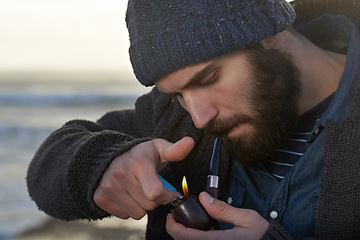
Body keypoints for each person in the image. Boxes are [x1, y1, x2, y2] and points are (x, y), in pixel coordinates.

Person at [26, 0, 360, 239]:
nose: (199, 118)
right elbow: (46, 168)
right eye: (178, 94)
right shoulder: (173, 117)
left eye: (208, 78)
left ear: (267, 33)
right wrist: (103, 164)